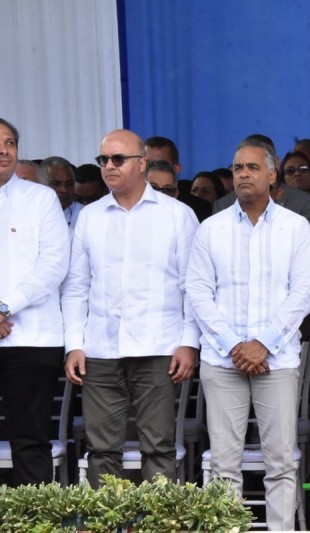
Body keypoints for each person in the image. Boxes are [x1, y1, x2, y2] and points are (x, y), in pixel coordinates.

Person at [186, 136, 310, 529]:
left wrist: (263, 344)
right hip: (223, 361)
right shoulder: (211, 229)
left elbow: (302, 294)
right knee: (224, 464)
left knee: (281, 463)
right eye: (238, 167)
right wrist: (235, 346)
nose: (243, 174)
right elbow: (198, 292)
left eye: (253, 167)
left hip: (276, 361)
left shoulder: (295, 227)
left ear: (273, 175)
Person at [62, 129, 199, 488]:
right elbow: (76, 287)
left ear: (142, 164)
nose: (109, 166)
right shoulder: (90, 217)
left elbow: (192, 286)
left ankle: (159, 518)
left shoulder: (177, 215)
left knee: (159, 448)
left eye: (118, 159)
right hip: (100, 350)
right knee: (101, 450)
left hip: (159, 347)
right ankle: (108, 518)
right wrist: (74, 344)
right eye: (103, 159)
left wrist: (188, 342)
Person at [0, 118, 70, 485]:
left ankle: (35, 515)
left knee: (29, 439)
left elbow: (53, 264)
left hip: (31, 338)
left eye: (9, 143)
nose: (3, 150)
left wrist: (3, 307)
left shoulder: (41, 198)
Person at [144, 136, 212, 222]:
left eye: (161, 164)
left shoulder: (196, 210)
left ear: (176, 168)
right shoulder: (128, 204)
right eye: (146, 163)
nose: (151, 169)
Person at [40, 156, 83, 229]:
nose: (64, 190)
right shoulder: (29, 213)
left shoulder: (85, 215)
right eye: (55, 184)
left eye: (69, 184)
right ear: (40, 184)